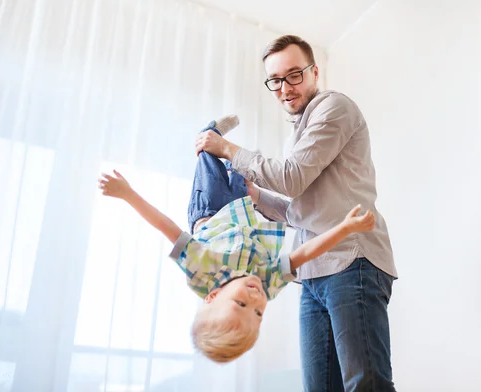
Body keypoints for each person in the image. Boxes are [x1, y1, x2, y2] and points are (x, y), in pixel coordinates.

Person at [194, 35, 398, 391]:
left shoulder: (334, 108)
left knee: (366, 385)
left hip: (353, 262)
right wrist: (256, 197)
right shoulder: (299, 131)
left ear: (314, 72)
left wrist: (226, 147)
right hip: (313, 275)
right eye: (275, 80)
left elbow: (291, 178)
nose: (285, 88)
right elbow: (301, 212)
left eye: (294, 75)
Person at [98, 115, 376, 364]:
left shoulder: (202, 270)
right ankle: (226, 152)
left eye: (241, 304)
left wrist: (128, 194)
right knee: (239, 170)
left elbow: (166, 226)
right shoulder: (266, 283)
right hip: (241, 206)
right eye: (257, 313)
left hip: (210, 207)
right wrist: (344, 228)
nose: (256, 300)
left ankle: (210, 130)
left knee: (207, 155)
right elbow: (304, 254)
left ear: (214, 296)